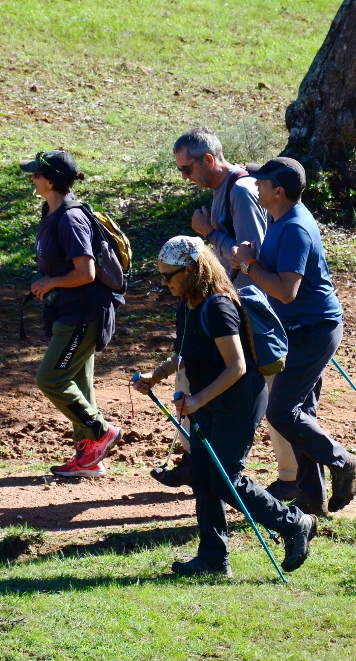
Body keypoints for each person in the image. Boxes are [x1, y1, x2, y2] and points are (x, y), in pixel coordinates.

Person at [134, 236, 316, 576]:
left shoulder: (218, 307)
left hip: (238, 400)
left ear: (190, 270)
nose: (164, 283)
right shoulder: (186, 304)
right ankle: (213, 560)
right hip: (208, 401)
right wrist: (156, 375)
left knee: (224, 478)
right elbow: (188, 352)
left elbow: (237, 366)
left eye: (168, 276)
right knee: (203, 476)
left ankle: (294, 524)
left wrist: (198, 399)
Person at [165, 128, 298, 499]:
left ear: (208, 160)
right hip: (231, 305)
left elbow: (249, 254)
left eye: (187, 169)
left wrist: (210, 233)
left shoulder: (239, 191)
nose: (185, 177)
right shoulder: (225, 191)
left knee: (271, 394)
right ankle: (195, 460)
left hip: (249, 309)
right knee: (196, 375)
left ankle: (294, 477)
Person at [231, 157, 356, 517]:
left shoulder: (294, 228)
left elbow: (286, 290)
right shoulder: (279, 220)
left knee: (282, 412)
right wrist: (252, 259)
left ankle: (345, 463)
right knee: (301, 411)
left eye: (261, 182)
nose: (255, 186)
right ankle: (312, 497)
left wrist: (248, 265)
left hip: (313, 330)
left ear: (279, 191)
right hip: (301, 329)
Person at [20, 150, 121, 478]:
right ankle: (89, 459)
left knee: (50, 378)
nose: (31, 178)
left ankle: (100, 431)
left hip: (83, 314)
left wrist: (49, 282)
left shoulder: (70, 218)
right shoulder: (51, 212)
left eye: (35, 174)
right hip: (70, 314)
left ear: (49, 181)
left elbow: (86, 272)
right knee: (79, 383)